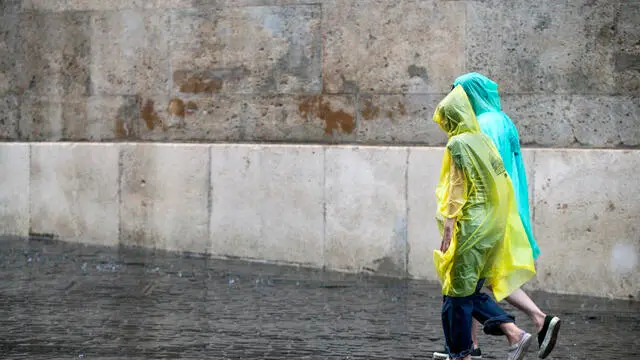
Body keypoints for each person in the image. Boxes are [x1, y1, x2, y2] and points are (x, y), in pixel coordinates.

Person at [433, 73, 561, 360]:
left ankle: (476, 345)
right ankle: (474, 344)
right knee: (475, 281)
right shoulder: (501, 120)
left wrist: (451, 223)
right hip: (497, 212)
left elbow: (460, 183)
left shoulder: (472, 133)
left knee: (463, 284)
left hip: (476, 216)